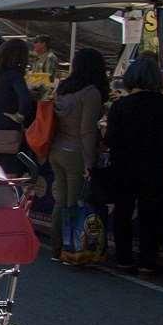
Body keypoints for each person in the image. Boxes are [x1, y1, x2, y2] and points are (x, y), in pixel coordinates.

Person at [104, 57, 163, 275]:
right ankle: (148, 261)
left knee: (123, 212)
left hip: (125, 164)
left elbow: (110, 138)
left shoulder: (120, 105)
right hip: (155, 165)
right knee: (152, 213)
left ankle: (124, 259)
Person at [49, 47, 107, 258]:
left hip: (56, 148)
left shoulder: (64, 88)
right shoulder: (90, 93)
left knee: (61, 200)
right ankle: (70, 247)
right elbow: (87, 130)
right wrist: (90, 162)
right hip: (75, 152)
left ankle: (57, 246)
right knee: (73, 202)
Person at [0, 38, 35, 175]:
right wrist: (19, 116)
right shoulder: (14, 76)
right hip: (8, 133)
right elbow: (25, 101)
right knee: (8, 174)